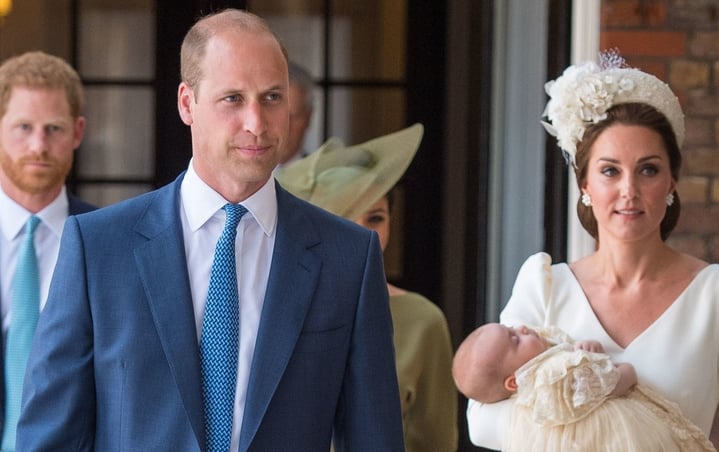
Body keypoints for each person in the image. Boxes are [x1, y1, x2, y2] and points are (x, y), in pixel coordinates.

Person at [17, 9, 404, 451]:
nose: (256, 123)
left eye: (272, 98)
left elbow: (375, 439)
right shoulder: (98, 249)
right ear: (187, 103)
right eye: (233, 99)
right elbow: (49, 439)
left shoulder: (349, 257)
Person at [466, 50, 719, 451]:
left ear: (672, 181)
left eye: (648, 169)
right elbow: (481, 419)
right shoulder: (545, 286)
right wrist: (585, 408)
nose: (629, 191)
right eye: (610, 170)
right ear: (585, 185)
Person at [275, 124, 459, 452]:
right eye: (344, 218)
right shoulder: (271, 309)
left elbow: (436, 442)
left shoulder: (423, 320)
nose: (364, 236)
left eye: (375, 218)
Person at [0, 50, 95, 450]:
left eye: (53, 129)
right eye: (23, 127)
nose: (38, 145)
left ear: (77, 132)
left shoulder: (107, 243)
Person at [453, 322, 716, 451]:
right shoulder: (552, 379)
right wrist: (626, 372)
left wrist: (589, 355)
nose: (522, 327)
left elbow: (587, 382)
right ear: (513, 381)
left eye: (511, 327)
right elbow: (608, 384)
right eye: (514, 339)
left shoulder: (546, 377)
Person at [279, 60, 314, 165]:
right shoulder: (232, 177)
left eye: (293, 117)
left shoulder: (327, 178)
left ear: (308, 117)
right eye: (275, 117)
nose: (284, 129)